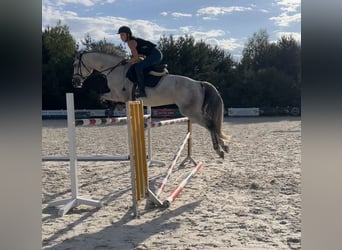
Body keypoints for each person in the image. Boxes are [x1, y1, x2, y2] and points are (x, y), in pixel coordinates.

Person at [117, 26, 163, 97]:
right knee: (137, 65)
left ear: (128, 35)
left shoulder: (131, 42)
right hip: (154, 54)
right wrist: (130, 61)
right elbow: (139, 57)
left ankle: (142, 91)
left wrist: (126, 61)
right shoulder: (132, 41)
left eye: (122, 35)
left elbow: (135, 58)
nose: (121, 37)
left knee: (138, 67)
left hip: (155, 55)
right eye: (120, 35)